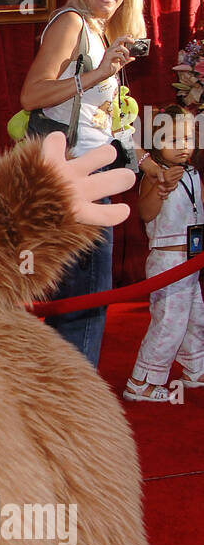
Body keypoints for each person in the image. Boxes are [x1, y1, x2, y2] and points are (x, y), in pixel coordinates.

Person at [18, 0, 150, 368]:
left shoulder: (102, 33)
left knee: (79, 296)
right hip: (71, 179)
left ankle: (60, 395)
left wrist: (146, 161)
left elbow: (104, 122)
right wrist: (96, 75)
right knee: (84, 297)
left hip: (93, 177)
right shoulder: (71, 23)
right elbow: (31, 94)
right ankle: (74, 402)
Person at [124, 105, 204, 401]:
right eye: (174, 141)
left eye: (188, 139)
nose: (183, 147)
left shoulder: (193, 173)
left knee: (196, 317)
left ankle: (195, 367)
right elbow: (145, 214)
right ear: (156, 144)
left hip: (191, 261)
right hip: (168, 262)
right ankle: (142, 380)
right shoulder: (155, 176)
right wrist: (160, 190)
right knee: (170, 321)